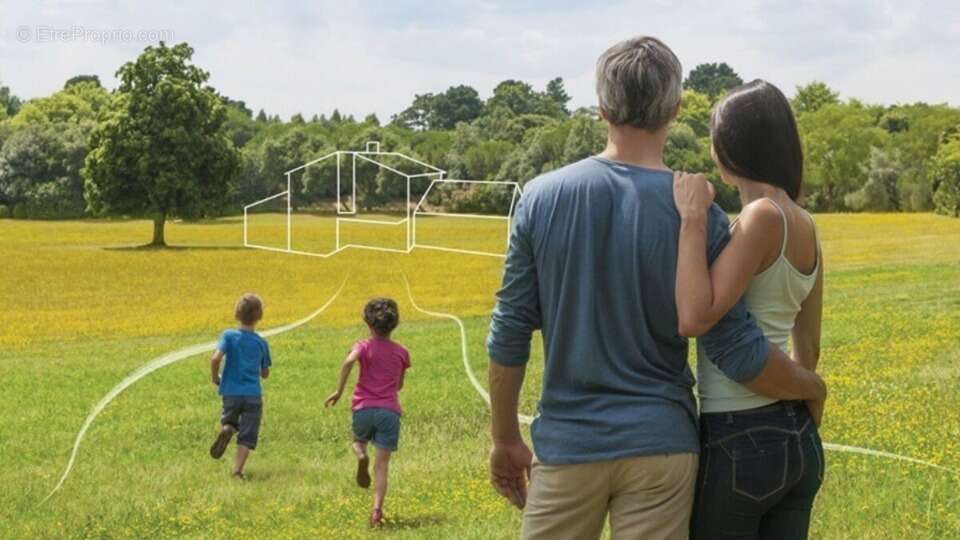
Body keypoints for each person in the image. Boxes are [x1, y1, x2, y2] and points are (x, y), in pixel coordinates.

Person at [486, 36, 827, 540]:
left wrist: (504, 437)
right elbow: (732, 344)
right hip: (663, 446)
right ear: (675, 109)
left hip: (568, 445)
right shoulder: (700, 213)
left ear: (602, 108)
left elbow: (510, 328)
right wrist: (809, 386)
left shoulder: (539, 198)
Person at [673, 80, 825, 539]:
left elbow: (697, 316)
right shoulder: (805, 223)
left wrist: (692, 219)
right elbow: (809, 347)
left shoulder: (761, 217)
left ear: (729, 149)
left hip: (738, 432)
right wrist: (802, 415)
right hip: (797, 436)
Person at [325, 298, 411, 528]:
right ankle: (376, 512)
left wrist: (339, 391)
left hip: (363, 409)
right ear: (394, 324)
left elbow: (348, 362)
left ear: (368, 324)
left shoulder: (362, 346)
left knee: (358, 442)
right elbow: (399, 385)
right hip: (389, 413)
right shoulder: (402, 352)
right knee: (382, 466)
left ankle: (361, 454)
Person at [209, 293, 272, 480]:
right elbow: (265, 373)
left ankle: (228, 428)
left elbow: (215, 359)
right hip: (253, 395)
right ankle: (237, 471)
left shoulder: (228, 336)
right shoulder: (261, 342)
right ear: (259, 316)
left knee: (230, 420)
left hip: (231, 393)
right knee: (248, 434)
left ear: (237, 314)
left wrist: (215, 377)